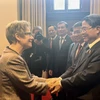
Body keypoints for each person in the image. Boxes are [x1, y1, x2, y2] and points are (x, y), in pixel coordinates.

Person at [47, 14, 100, 100]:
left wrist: (61, 83)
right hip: (79, 92)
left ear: (97, 29)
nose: (82, 33)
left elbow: (88, 75)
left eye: (84, 29)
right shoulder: (88, 47)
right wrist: (60, 78)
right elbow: (75, 66)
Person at [0, 20, 48, 100]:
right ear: (18, 36)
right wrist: (54, 84)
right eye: (29, 34)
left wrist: (50, 81)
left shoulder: (13, 55)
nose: (32, 37)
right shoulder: (12, 58)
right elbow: (29, 85)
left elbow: (29, 77)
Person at [50, 21, 72, 100]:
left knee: (64, 88)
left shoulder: (71, 40)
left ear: (66, 29)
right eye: (59, 28)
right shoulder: (55, 40)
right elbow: (52, 55)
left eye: (62, 27)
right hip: (56, 69)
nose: (60, 29)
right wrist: (51, 68)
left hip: (66, 69)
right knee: (55, 87)